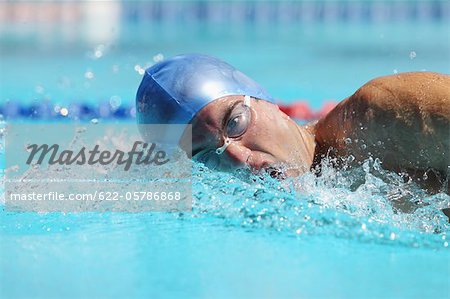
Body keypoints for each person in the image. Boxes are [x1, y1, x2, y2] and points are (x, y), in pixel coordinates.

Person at [136, 54, 449, 194]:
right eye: (204, 155)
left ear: (262, 97)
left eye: (235, 123)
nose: (239, 159)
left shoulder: (380, 115)